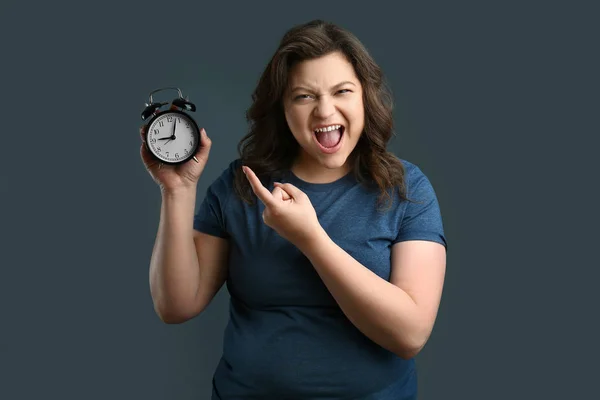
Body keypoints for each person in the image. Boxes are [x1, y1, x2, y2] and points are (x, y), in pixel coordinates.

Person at [140, 19, 447, 400]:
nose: (324, 110)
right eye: (304, 96)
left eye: (342, 91)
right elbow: (175, 305)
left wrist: (311, 239)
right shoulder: (242, 185)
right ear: (282, 108)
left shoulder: (407, 189)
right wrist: (178, 190)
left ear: (365, 97)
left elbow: (410, 334)